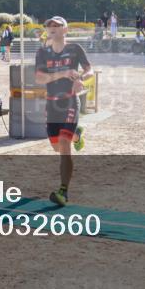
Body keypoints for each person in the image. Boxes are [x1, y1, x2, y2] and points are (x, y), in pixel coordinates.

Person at [35, 17, 91, 207]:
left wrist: (80, 78)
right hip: (51, 105)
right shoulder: (43, 52)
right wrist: (62, 74)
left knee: (64, 146)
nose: (52, 28)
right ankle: (77, 135)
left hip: (69, 102)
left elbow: (89, 70)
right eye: (49, 25)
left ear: (65, 30)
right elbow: (40, 78)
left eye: (57, 26)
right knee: (57, 147)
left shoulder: (75, 49)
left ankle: (63, 192)